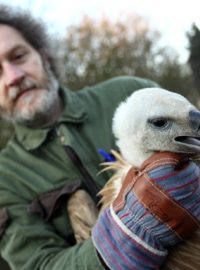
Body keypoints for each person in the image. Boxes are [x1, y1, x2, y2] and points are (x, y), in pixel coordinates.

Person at [0, 5, 160, 270]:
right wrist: (121, 240)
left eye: (18, 56)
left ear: (42, 55)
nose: (13, 77)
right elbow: (42, 265)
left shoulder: (131, 94)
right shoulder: (5, 179)